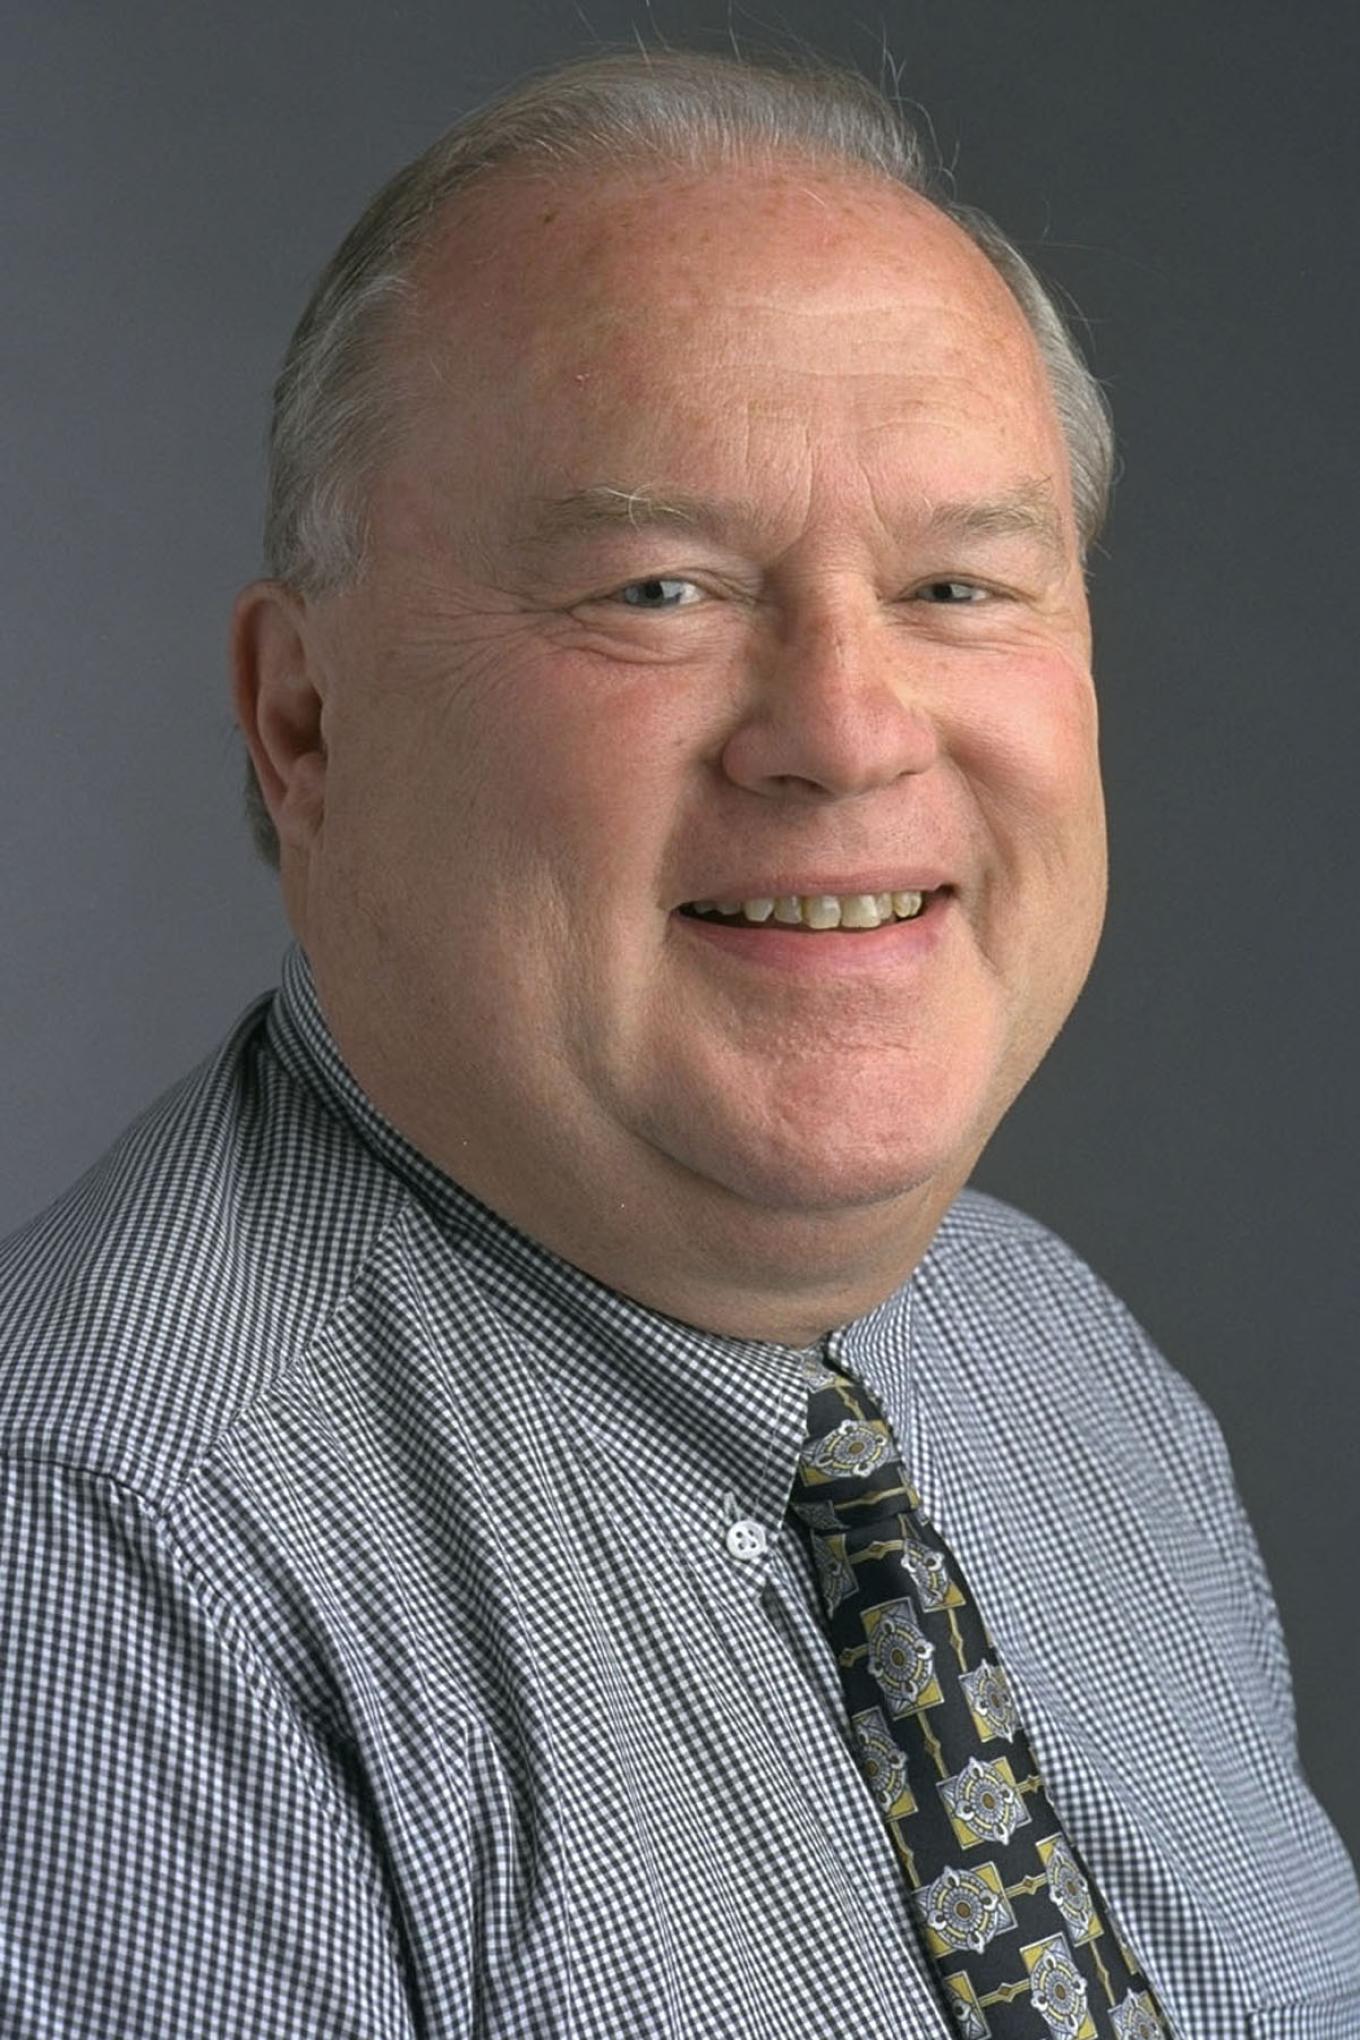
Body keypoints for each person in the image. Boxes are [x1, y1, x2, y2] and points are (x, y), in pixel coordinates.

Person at [2, 45, 1357, 2040]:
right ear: (303, 724)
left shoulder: (1059, 1368)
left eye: (954, 585)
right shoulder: (103, 1567)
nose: (843, 726)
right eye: (657, 588)